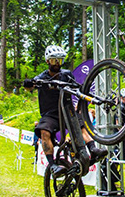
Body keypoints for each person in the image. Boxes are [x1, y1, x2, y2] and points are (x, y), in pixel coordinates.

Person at [23, 45, 107, 178]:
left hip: (67, 110)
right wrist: (28, 84)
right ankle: (53, 166)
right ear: (47, 61)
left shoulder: (66, 75)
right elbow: (31, 87)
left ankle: (93, 149)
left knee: (81, 124)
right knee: (44, 131)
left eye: (60, 61)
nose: (57, 64)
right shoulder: (41, 77)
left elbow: (77, 89)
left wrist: (87, 98)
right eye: (54, 60)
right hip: (50, 114)